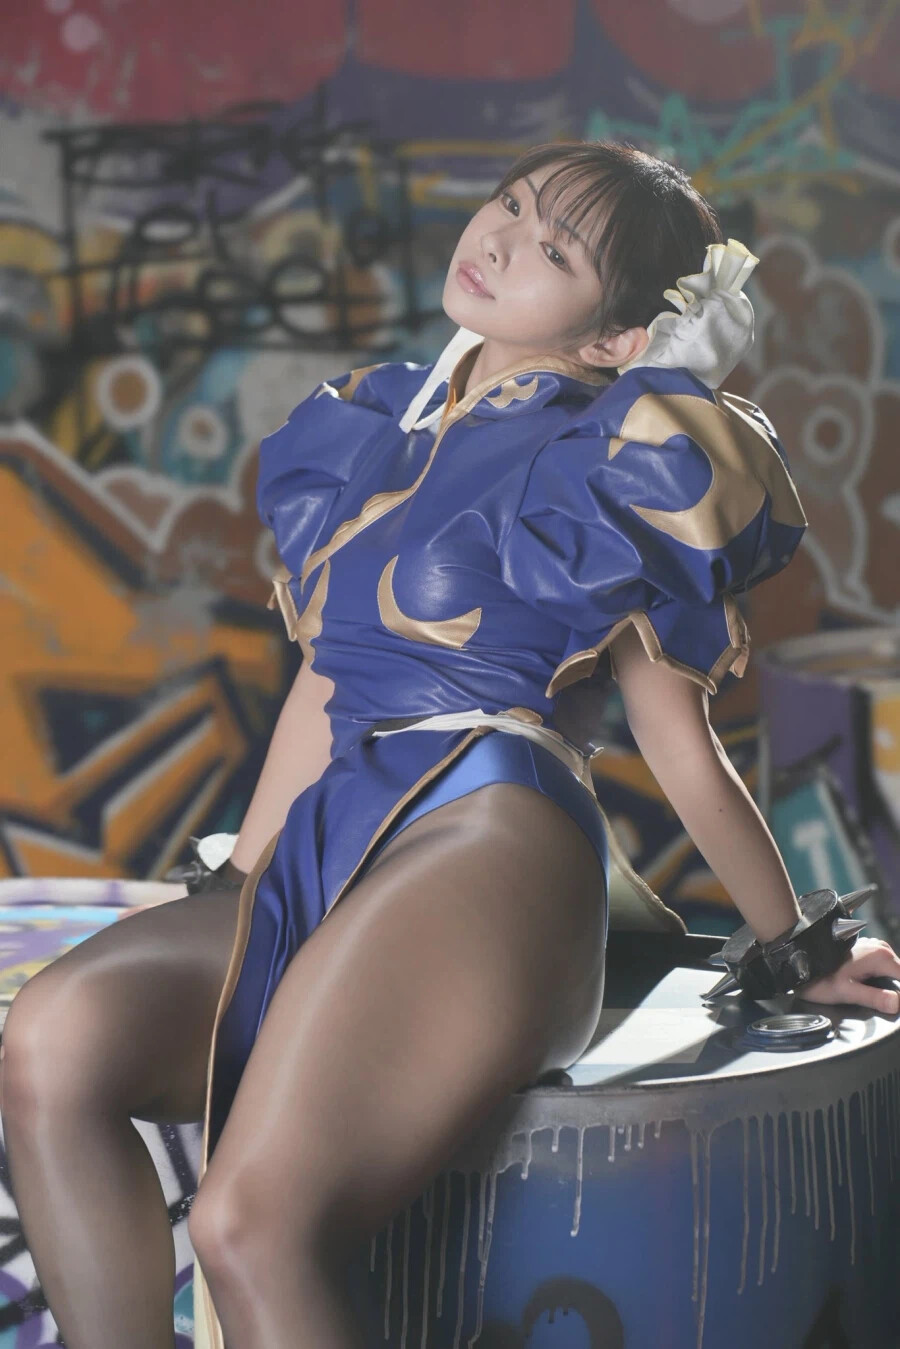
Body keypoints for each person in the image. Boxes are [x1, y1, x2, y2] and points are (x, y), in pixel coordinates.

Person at [2, 140, 899, 1349]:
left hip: (493, 840)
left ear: (615, 338)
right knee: (53, 1043)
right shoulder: (380, 431)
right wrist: (243, 876)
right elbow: (328, 683)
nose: (502, 238)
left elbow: (677, 741)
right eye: (511, 204)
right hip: (337, 836)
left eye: (555, 249)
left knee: (251, 1224)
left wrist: (796, 945)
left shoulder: (615, 459)